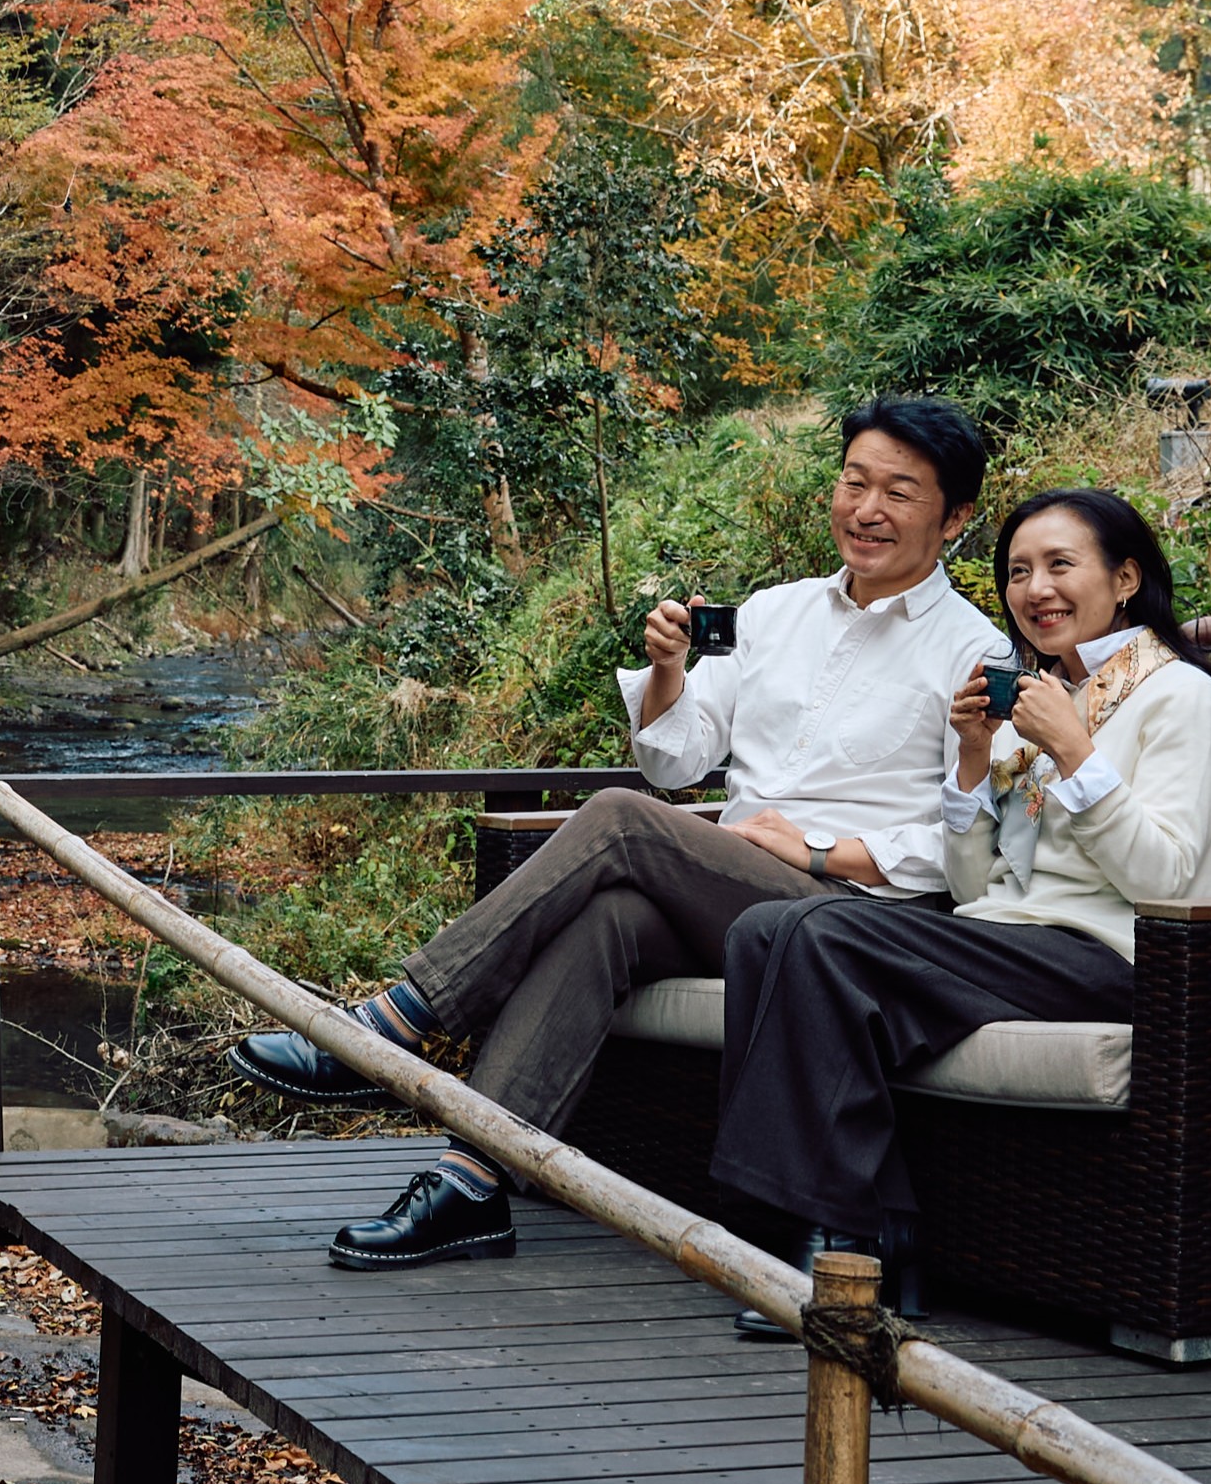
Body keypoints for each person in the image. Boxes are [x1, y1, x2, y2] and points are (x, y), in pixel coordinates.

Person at [233, 398, 1009, 1271]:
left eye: (899, 492)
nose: (867, 509)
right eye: (855, 481)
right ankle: (471, 1182)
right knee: (610, 917)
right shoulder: (775, 613)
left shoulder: (974, 653)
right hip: (734, 897)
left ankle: (394, 1022)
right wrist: (670, 673)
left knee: (614, 818)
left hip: (850, 916)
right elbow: (676, 763)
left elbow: (971, 841)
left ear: (955, 518)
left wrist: (818, 851)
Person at [704, 485, 1211, 1283]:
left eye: (1061, 565)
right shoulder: (1043, 697)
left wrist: (1076, 755)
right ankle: (869, 1230)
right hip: (1008, 936)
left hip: (1115, 956)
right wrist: (968, 762)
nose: (1036, 590)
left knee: (820, 930)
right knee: (762, 928)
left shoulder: (1180, 696)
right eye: (1019, 571)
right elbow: (971, 883)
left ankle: (815, 1231)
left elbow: (1164, 878)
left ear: (1126, 577)